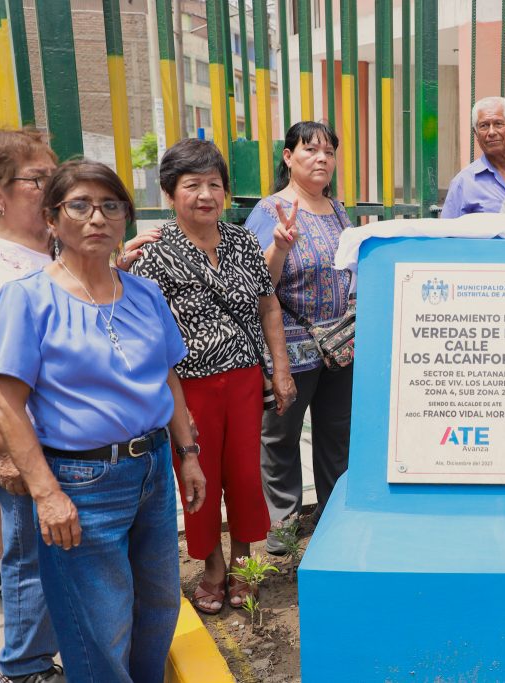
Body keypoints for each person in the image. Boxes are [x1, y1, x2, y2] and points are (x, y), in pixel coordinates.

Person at [0, 159, 206, 683]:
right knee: (99, 624)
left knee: (158, 606)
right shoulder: (27, 298)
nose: (97, 218)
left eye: (111, 206)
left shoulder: (144, 293)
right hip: (81, 484)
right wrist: (46, 493)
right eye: (80, 205)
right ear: (52, 218)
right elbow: (6, 402)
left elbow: (168, 378)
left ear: (126, 218)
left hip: (152, 469)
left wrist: (188, 454)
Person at [132, 139, 297, 614]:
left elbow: (269, 306)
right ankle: (212, 566)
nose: (206, 194)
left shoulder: (244, 240)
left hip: (245, 380)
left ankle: (244, 561)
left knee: (245, 474)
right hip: (188, 385)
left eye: (214, 184)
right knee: (198, 474)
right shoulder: (154, 252)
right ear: (169, 193)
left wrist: (279, 371)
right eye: (192, 185)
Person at [244, 121, 354, 547]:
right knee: (280, 436)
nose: (321, 158)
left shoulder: (338, 210)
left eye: (328, 151)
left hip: (339, 346)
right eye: (310, 150)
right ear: (289, 157)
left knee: (335, 435)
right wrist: (281, 246)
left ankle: (333, 517)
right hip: (289, 345)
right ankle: (283, 525)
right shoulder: (269, 211)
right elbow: (259, 285)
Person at [0, 130, 62, 683]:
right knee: (30, 561)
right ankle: (23, 668)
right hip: (25, 444)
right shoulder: (3, 269)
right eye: (36, 179)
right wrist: (6, 455)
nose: (50, 188)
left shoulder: (56, 253)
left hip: (76, 441)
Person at [440, 96, 505, 218]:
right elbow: (449, 231)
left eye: (498, 124)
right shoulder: (464, 182)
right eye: (484, 126)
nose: (491, 132)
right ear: (475, 133)